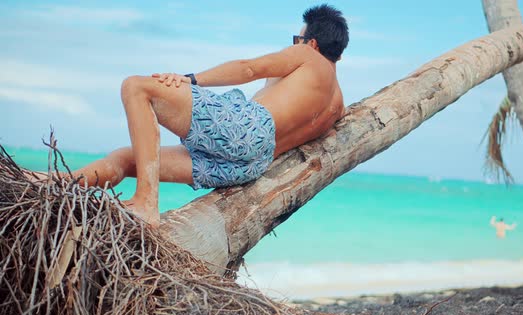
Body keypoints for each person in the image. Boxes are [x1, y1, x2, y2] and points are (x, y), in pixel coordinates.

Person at [28, 4, 349, 228]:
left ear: (312, 42)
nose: (292, 44)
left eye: (297, 39)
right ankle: (56, 183)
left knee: (137, 87)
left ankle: (145, 202)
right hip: (252, 163)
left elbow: (248, 68)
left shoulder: (307, 56)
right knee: (129, 158)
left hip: (246, 129)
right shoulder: (337, 103)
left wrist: (190, 80)